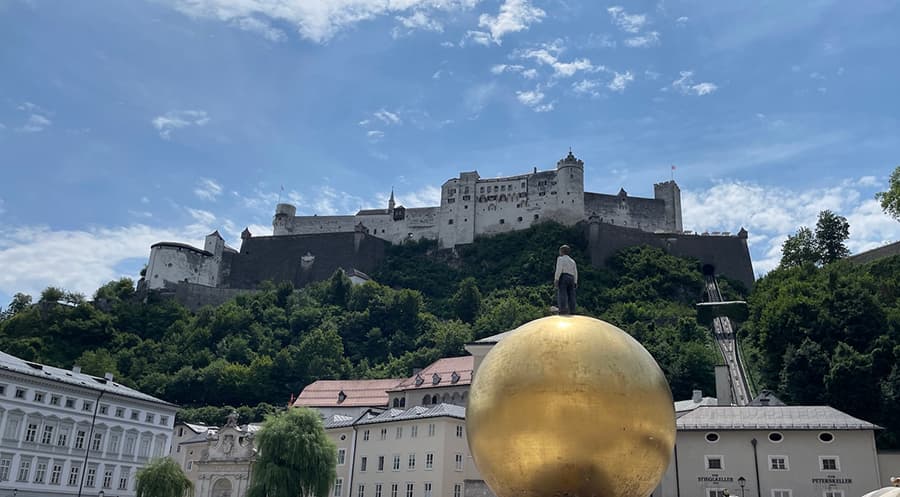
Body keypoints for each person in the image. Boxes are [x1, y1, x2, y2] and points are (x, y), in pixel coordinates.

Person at [554, 244, 578, 315]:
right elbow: (575, 272)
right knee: (571, 295)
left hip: (564, 277)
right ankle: (572, 310)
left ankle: (562, 310)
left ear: (561, 251)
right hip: (571, 278)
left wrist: (556, 279)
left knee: (562, 293)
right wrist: (575, 282)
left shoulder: (560, 258)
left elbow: (559, 269)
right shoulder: (572, 261)